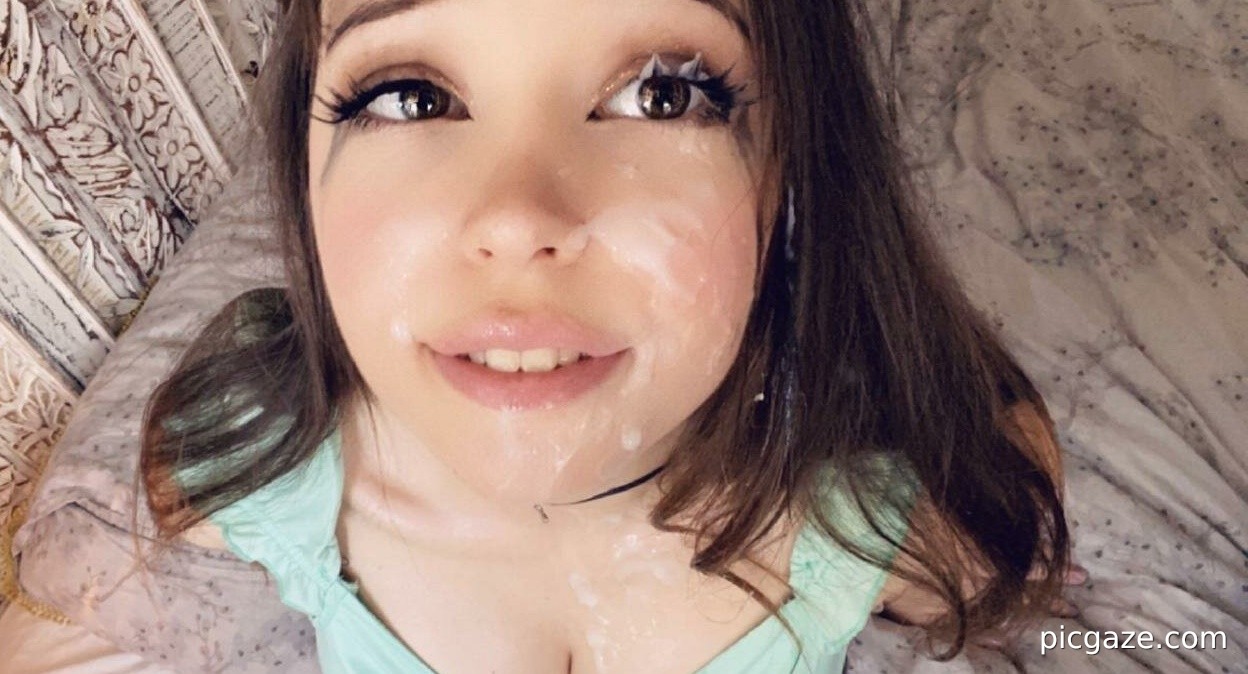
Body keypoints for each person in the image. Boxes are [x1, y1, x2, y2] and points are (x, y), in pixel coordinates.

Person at [0, 0, 1084, 671]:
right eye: (409, 97)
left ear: (789, 170)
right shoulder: (244, 465)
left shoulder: (894, 514)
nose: (517, 219)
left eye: (665, 96)